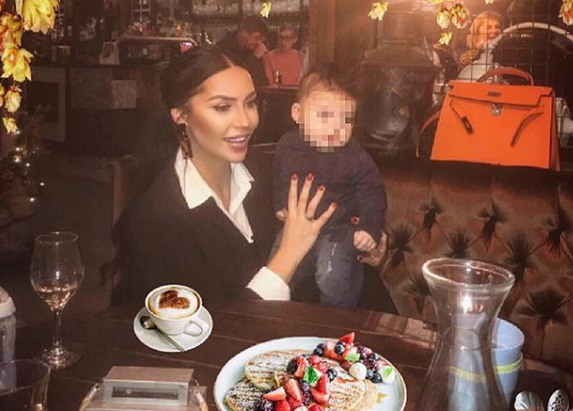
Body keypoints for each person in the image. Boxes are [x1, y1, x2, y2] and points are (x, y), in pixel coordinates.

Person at [113, 47, 337, 305]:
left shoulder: (264, 170)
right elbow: (208, 327)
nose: (245, 121)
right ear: (181, 116)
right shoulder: (157, 220)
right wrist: (288, 256)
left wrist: (362, 240)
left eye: (250, 103)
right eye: (222, 107)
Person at [271, 64, 387, 307]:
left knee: (331, 275)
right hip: (298, 225)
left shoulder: (355, 156)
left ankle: (337, 319)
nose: (335, 127)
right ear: (297, 114)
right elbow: (281, 177)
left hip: (340, 228)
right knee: (275, 274)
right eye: (324, 116)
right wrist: (281, 204)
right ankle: (275, 317)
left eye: (346, 119)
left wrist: (369, 229)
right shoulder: (286, 147)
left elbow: (373, 193)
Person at [216, 15, 269, 86]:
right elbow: (234, 75)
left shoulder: (254, 49)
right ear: (244, 32)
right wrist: (254, 57)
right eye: (256, 38)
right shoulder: (224, 47)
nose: (259, 43)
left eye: (261, 40)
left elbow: (262, 81)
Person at [457, 11, 502, 81]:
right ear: (477, 31)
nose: (494, 31)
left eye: (497, 27)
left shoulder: (503, 52)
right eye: (489, 27)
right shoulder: (467, 57)